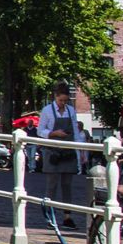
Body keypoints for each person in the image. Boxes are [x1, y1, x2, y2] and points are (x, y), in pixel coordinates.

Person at [37, 83, 85, 226]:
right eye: (60, 101)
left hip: (68, 151)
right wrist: (53, 133)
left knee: (67, 185)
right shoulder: (47, 111)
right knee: (52, 185)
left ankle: (67, 216)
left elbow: (75, 132)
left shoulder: (71, 111)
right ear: (55, 97)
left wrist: (81, 151)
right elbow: (40, 131)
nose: (63, 104)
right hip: (53, 151)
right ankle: (49, 216)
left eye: (65, 101)